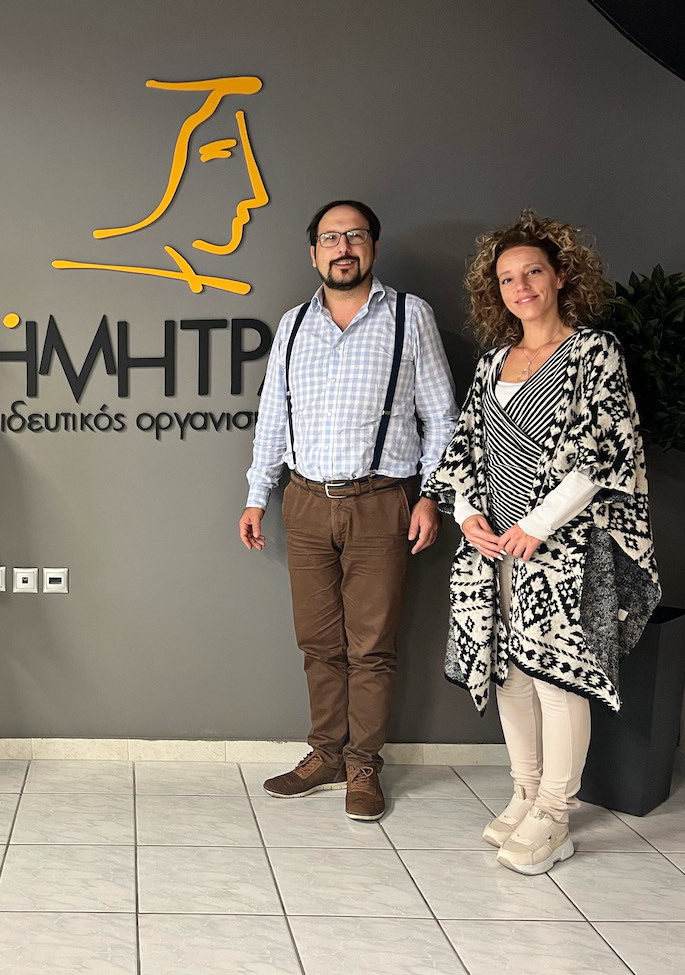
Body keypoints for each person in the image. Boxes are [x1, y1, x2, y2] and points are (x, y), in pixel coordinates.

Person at [423, 211, 660, 874]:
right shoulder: (492, 363)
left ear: (560, 277)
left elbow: (604, 452)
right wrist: (467, 514)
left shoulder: (594, 353)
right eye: (507, 278)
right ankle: (525, 792)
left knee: (558, 678)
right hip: (493, 545)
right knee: (509, 671)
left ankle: (556, 812)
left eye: (532, 272)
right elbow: (465, 449)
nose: (521, 286)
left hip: (562, 547)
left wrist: (538, 524)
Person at [241, 200, 459, 821]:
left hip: (383, 503)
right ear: (314, 252)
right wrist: (257, 496)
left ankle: (363, 763)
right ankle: (325, 754)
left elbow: (441, 417)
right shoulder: (293, 325)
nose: (343, 248)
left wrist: (431, 496)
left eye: (355, 236)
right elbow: (273, 418)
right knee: (317, 642)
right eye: (331, 238)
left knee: (372, 645)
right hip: (306, 501)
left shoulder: (410, 316)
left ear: (373, 247)